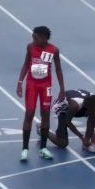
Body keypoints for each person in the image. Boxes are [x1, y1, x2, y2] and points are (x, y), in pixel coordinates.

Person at [16, 26, 65, 161]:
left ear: (44, 38)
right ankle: (25, 149)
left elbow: (59, 70)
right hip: (32, 85)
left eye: (35, 37)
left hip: (46, 86)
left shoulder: (54, 50)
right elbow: (26, 64)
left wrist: (62, 88)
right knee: (30, 113)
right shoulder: (30, 47)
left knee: (45, 114)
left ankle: (43, 147)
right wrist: (20, 82)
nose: (33, 39)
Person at [41, 89, 95, 153]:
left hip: (81, 104)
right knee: (62, 143)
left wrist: (92, 137)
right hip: (63, 108)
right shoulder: (74, 105)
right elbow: (68, 121)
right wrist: (81, 137)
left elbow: (92, 119)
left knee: (92, 116)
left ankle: (87, 141)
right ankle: (41, 129)